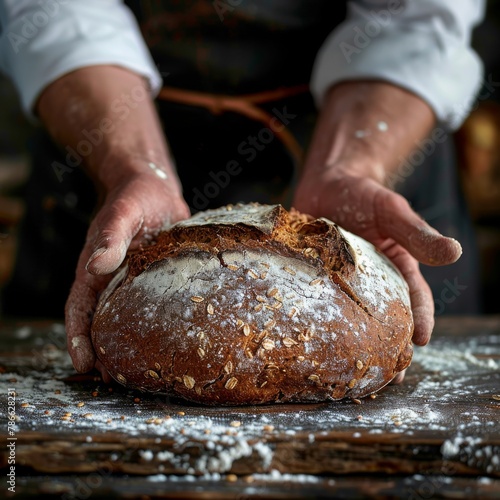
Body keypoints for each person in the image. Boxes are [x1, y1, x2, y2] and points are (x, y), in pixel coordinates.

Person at [0, 0, 484, 382]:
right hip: (107, 136)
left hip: (371, 138)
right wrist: (130, 168)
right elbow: (60, 10)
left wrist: (352, 165)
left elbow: (414, 17)